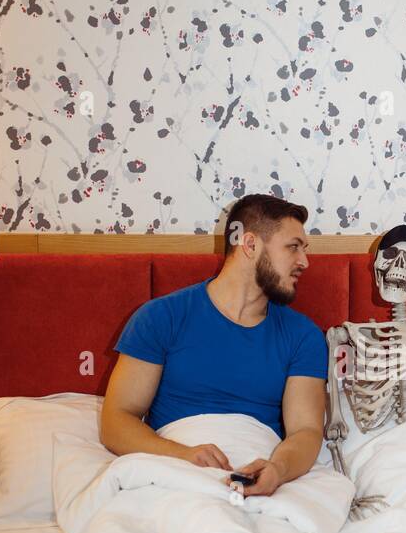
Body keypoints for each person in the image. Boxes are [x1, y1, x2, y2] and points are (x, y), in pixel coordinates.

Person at [100, 194, 328, 497]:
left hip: (257, 469)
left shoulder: (304, 336)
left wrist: (278, 470)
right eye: (293, 247)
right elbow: (116, 422)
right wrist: (183, 455)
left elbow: (306, 431)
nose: (304, 261)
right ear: (249, 245)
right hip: (175, 472)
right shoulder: (160, 318)